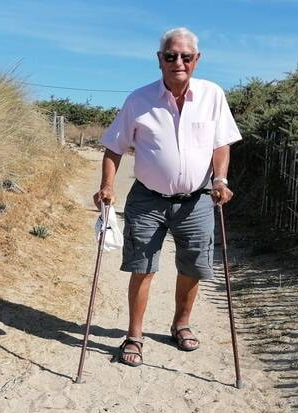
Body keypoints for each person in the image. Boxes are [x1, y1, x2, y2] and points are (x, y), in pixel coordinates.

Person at [94, 27, 242, 367]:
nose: (179, 62)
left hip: (198, 199)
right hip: (148, 199)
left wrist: (220, 178)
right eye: (171, 55)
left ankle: (181, 324)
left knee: (193, 266)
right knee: (142, 267)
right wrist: (106, 186)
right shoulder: (138, 99)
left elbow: (221, 143)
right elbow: (113, 147)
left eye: (186, 56)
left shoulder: (212, 95)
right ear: (160, 59)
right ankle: (134, 335)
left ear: (196, 60)